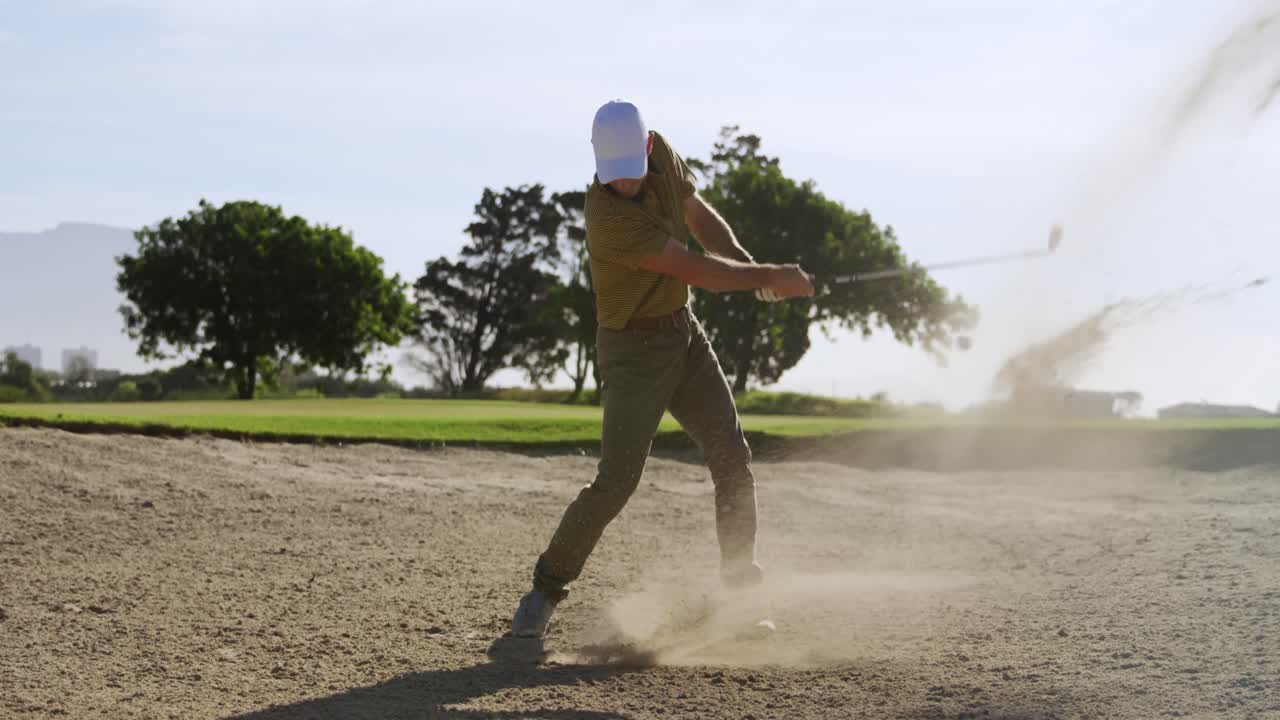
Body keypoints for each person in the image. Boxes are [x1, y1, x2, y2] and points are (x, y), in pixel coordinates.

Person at [511, 100, 814, 638]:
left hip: (683, 334)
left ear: (648, 147)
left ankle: (740, 600)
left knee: (732, 457)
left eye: (632, 173)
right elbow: (695, 269)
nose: (624, 184)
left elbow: (698, 216)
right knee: (616, 481)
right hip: (632, 352)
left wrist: (746, 263)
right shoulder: (607, 218)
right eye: (614, 176)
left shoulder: (664, 157)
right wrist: (768, 274)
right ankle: (545, 589)